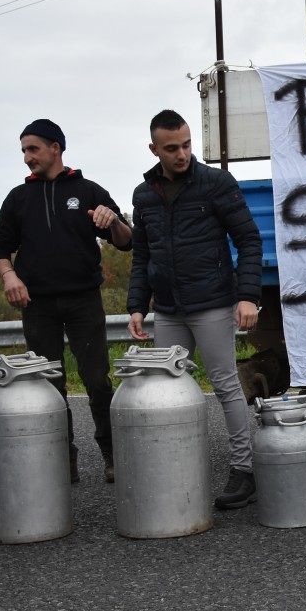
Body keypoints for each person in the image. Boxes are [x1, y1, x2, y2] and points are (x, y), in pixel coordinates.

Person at [127, 109, 262, 509]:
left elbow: (249, 239)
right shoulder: (144, 194)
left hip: (212, 304)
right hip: (168, 309)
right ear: (154, 149)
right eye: (172, 148)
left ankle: (245, 470)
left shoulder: (215, 183)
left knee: (224, 384)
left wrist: (247, 295)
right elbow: (141, 255)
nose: (182, 154)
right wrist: (137, 305)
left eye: (186, 145)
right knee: (170, 390)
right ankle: (177, 468)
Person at [0, 119, 132, 483]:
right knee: (48, 384)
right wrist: (10, 276)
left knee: (97, 379)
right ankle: (61, 457)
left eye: (32, 149)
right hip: (37, 306)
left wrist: (113, 219)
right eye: (23, 150)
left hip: (84, 300)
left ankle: (112, 453)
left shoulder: (87, 190)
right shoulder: (18, 198)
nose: (26, 158)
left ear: (56, 148)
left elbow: (126, 240)